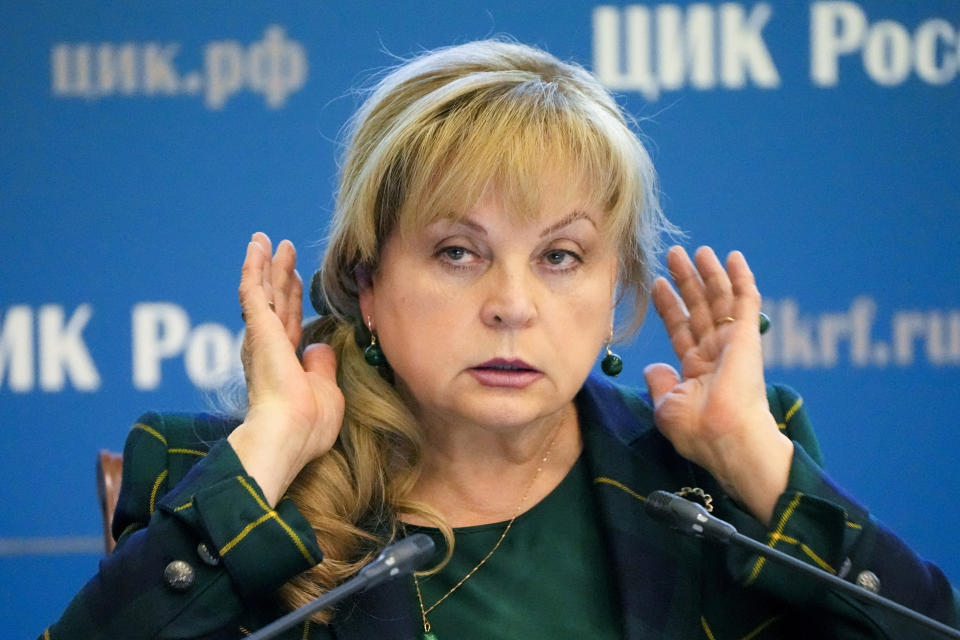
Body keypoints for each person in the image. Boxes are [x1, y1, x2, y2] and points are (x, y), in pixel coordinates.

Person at [42, 39, 958, 640]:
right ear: (366, 280)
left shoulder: (709, 484)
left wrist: (759, 462)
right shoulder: (211, 476)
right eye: (456, 252)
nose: (512, 305)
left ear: (616, 295)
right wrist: (269, 453)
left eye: (561, 256)